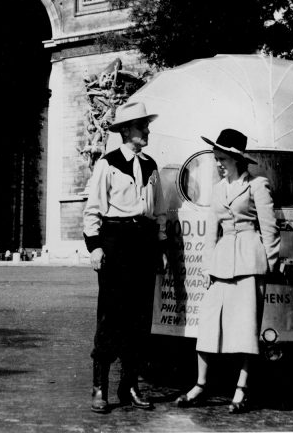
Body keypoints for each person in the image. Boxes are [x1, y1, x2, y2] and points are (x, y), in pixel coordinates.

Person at [176, 128, 280, 413]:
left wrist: (269, 264)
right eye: (216, 159)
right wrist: (208, 267)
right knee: (209, 324)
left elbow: (269, 229)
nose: (218, 164)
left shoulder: (257, 185)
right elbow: (212, 231)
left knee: (246, 327)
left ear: (237, 159)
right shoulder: (218, 189)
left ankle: (241, 390)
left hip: (250, 260)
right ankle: (200, 385)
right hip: (221, 262)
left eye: (222, 159)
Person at [83, 101, 167, 413]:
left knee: (140, 319)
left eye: (146, 125)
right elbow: (93, 208)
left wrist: (160, 247)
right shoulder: (108, 164)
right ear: (126, 130)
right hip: (116, 243)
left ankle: (129, 385)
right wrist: (95, 246)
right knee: (111, 316)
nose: (147, 131)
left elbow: (159, 211)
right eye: (142, 126)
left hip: (144, 244)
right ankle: (100, 387)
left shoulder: (151, 165)